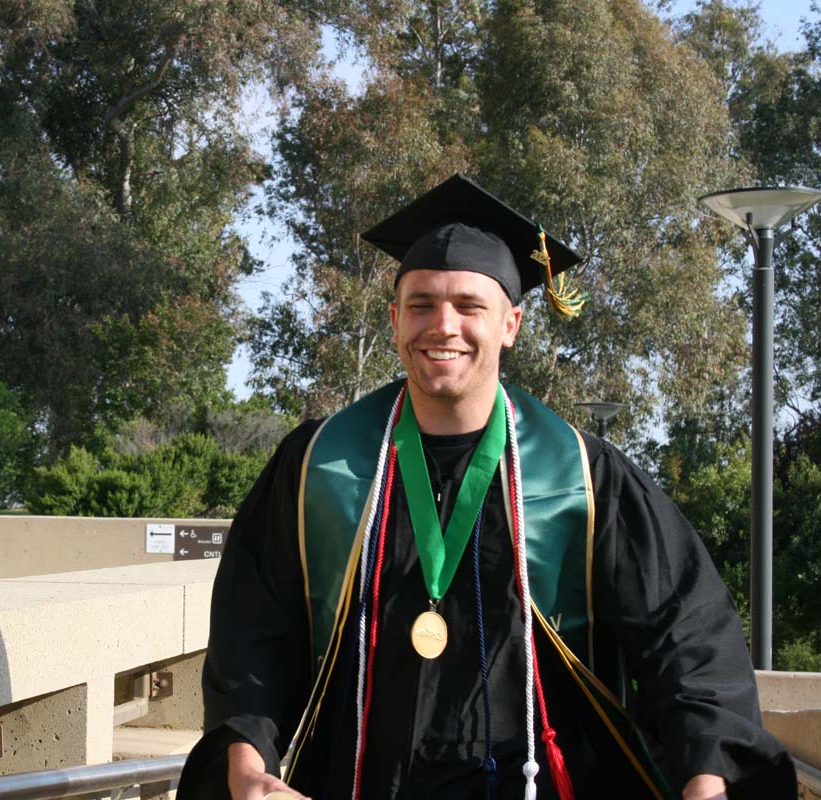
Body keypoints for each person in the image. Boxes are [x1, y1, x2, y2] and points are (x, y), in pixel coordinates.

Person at [177, 175, 795, 800]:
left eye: (469, 306)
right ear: (394, 321)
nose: (442, 326)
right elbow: (251, 634)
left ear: (511, 324)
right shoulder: (317, 466)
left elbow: (685, 637)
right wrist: (248, 761)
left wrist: (707, 775)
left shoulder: (583, 476)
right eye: (420, 304)